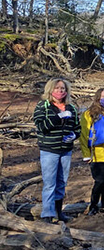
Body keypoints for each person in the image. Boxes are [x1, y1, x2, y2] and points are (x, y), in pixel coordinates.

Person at [33, 78, 81, 223]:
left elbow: (77, 127)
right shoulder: (43, 106)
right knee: (49, 183)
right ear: (50, 90)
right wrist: (58, 117)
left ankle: (59, 213)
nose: (60, 91)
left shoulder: (71, 108)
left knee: (62, 181)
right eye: (57, 88)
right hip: (49, 149)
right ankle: (47, 215)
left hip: (65, 150)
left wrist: (74, 135)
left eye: (63, 88)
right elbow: (41, 126)